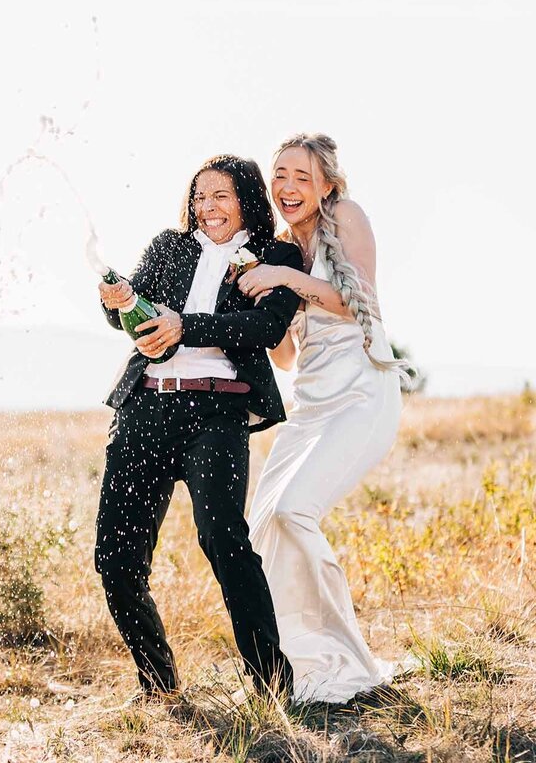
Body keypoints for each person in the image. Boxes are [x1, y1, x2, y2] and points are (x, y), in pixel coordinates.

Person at [95, 154, 302, 698]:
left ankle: (274, 686)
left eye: (220, 197)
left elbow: (266, 324)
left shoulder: (276, 255)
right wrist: (117, 302)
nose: (206, 208)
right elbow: (128, 313)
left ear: (246, 201)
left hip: (218, 412)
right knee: (115, 558)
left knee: (223, 539)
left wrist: (184, 327)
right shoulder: (168, 246)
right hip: (144, 409)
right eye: (199, 197)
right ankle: (159, 684)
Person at [235, 133, 409, 703]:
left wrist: (285, 281)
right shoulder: (281, 250)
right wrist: (259, 310)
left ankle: (346, 659)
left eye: (302, 177)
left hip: (361, 391)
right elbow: (286, 356)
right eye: (279, 174)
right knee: (262, 525)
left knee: (293, 510)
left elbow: (360, 303)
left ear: (328, 185)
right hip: (310, 404)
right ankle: (295, 660)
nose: (287, 187)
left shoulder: (346, 217)